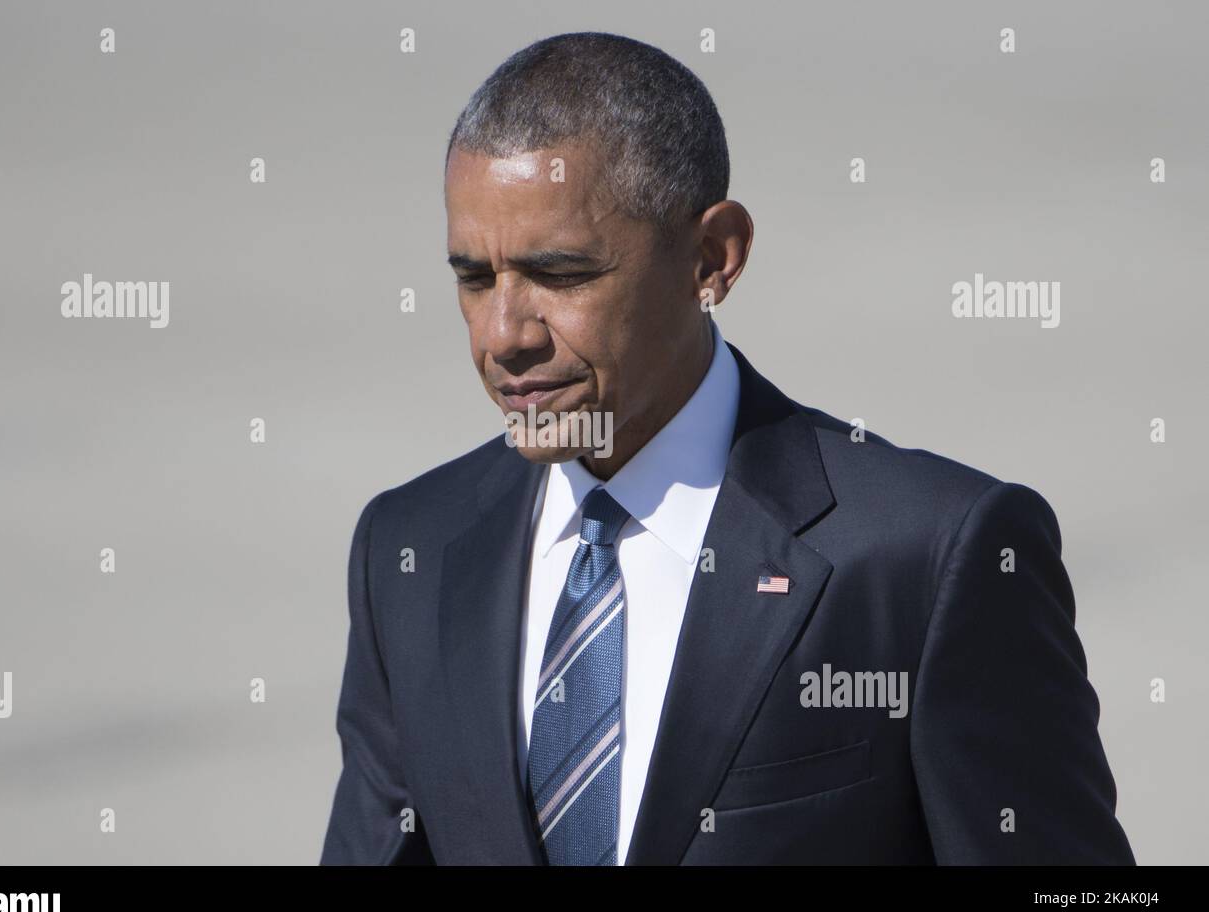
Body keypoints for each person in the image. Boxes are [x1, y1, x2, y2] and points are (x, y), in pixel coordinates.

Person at [320, 32, 1134, 865]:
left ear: (712, 257)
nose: (503, 336)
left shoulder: (923, 556)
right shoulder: (409, 552)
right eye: (474, 278)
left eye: (560, 275)